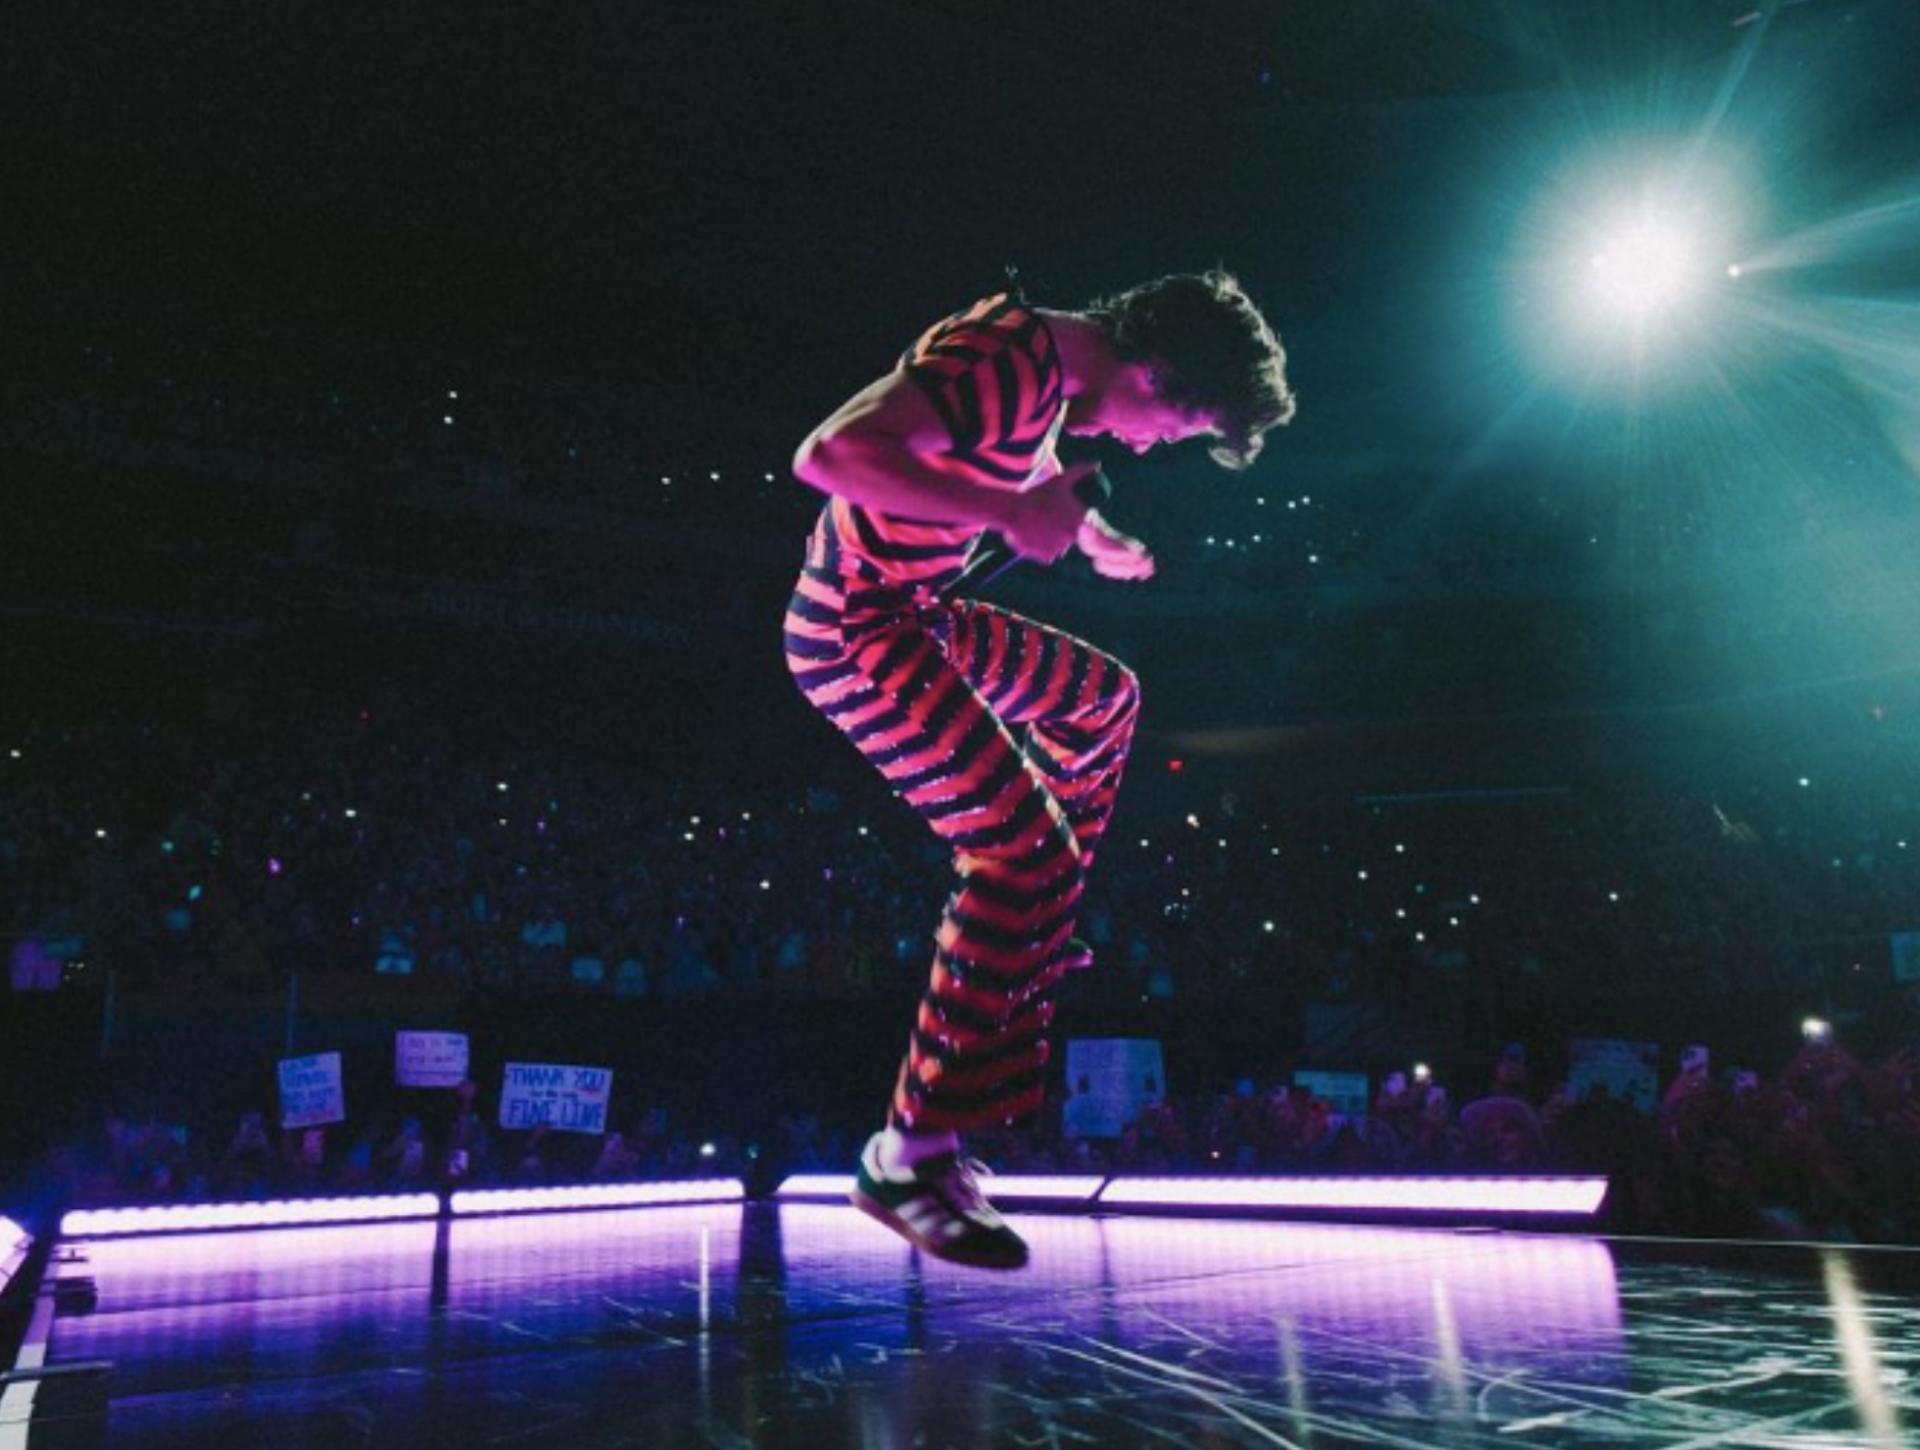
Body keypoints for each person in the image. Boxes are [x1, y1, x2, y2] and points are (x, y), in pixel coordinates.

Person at [784, 271, 1295, 1267]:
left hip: (923, 619)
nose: (1146, 447)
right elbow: (831, 454)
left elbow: (1026, 453)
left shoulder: (1046, 375)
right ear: (1153, 370)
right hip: (855, 628)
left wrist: (1089, 533)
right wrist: (1010, 514)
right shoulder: (1001, 359)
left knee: (1102, 697)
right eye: (1172, 427)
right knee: (1022, 849)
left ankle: (1034, 921)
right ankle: (906, 1157)